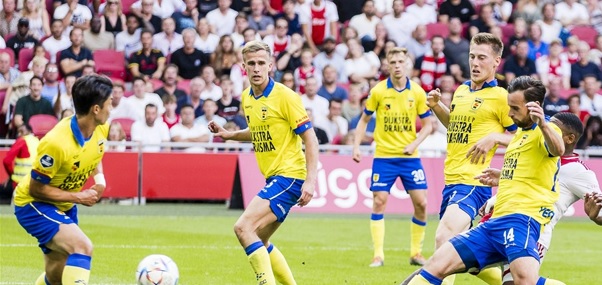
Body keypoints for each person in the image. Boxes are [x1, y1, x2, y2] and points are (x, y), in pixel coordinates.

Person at [405, 76, 566, 285]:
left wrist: (543, 124)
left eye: (515, 108)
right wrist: (502, 177)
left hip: (521, 220)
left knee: (524, 280)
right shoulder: (519, 137)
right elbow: (530, 171)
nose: (509, 113)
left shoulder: (546, 131)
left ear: (533, 107)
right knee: (438, 263)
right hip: (493, 224)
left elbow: (558, 150)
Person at [208, 40, 318, 285]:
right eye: (251, 64)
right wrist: (230, 134)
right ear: (243, 67)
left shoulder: (286, 97)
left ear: (270, 65)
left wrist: (311, 180)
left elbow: (310, 139)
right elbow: (256, 129)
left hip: (290, 176)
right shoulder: (247, 97)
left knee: (243, 228)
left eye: (261, 63)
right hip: (274, 178)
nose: (256, 68)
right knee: (260, 239)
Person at [416, 32, 518, 285]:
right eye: (472, 56)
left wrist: (495, 137)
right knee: (463, 254)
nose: (474, 62)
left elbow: (524, 138)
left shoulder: (502, 97)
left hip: (474, 182)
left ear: (496, 62)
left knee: (444, 238)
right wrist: (437, 106)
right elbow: (455, 127)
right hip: (451, 180)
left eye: (482, 57)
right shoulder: (462, 90)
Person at [476, 112, 600, 284]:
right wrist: (494, 199)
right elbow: (523, 185)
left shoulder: (579, 172)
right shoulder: (536, 155)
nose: (546, 129)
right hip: (505, 221)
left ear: (570, 139)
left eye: (555, 128)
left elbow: (599, 209)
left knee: (516, 282)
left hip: (536, 232)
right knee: (468, 262)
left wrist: (596, 216)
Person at [13, 75, 113, 285]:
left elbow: (95, 153)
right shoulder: (56, 143)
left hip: (63, 205)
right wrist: (78, 196)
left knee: (56, 277)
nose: (111, 108)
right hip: (33, 205)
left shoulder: (101, 126)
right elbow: (36, 189)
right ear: (96, 109)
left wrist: (100, 180)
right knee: (83, 247)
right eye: (109, 103)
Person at [351, 47, 433, 268]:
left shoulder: (417, 92)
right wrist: (356, 146)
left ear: (407, 63)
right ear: (387, 64)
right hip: (384, 157)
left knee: (422, 204)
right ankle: (378, 255)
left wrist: (414, 144)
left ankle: (416, 252)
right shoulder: (378, 91)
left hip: (410, 158)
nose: (397, 65)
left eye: (401, 61)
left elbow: (428, 126)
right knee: (379, 202)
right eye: (393, 61)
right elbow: (363, 120)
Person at [1, 124, 39, 201]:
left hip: (20, 183)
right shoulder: (38, 141)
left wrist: (11, 174)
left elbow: (7, 161)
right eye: (18, 132)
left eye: (21, 132)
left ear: (29, 131)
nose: (19, 134)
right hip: (36, 182)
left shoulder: (21, 141)